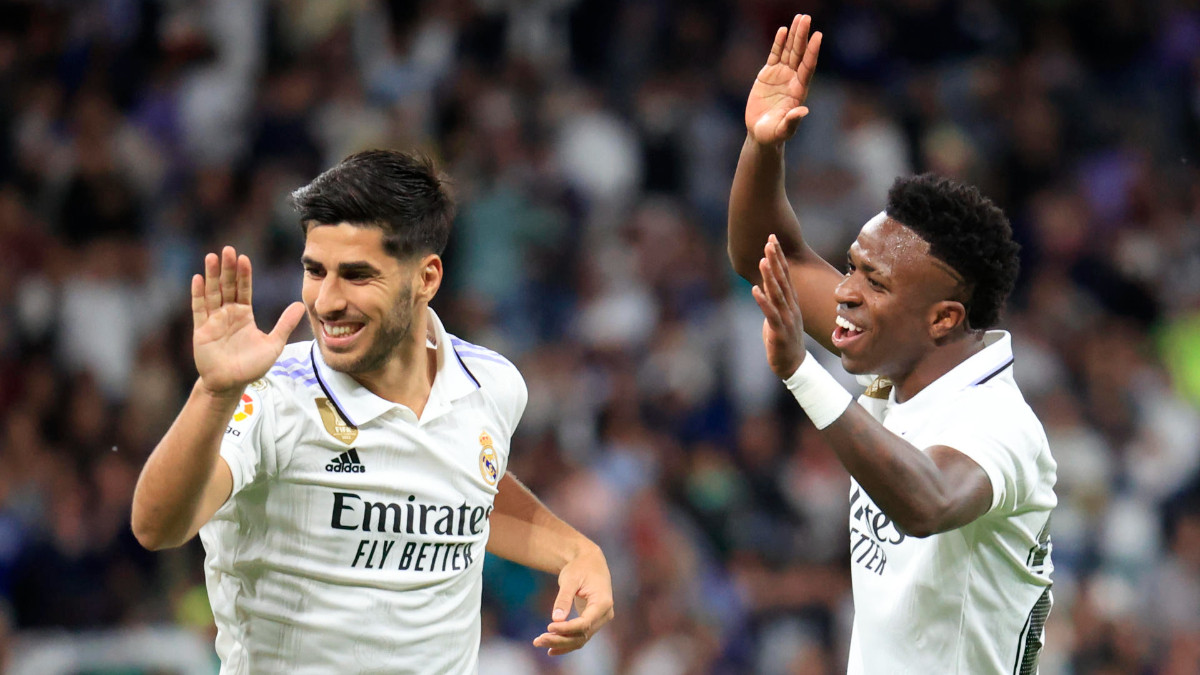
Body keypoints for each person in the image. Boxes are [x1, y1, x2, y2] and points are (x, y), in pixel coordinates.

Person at [130, 150, 614, 673]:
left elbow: (470, 488)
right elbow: (157, 527)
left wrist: (576, 551)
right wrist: (213, 392)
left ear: (426, 278)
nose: (326, 301)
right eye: (315, 271)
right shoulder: (268, 397)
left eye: (357, 275)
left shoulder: (493, 384)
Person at [728, 15, 1056, 674]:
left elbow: (928, 502)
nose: (845, 292)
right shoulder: (899, 353)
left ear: (942, 318)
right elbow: (767, 253)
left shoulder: (999, 425)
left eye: (872, 281)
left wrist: (802, 373)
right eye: (851, 265)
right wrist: (763, 147)